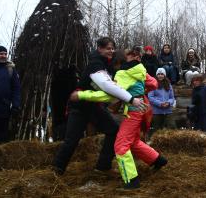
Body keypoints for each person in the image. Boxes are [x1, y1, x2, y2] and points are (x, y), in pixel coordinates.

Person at [75, 46, 167, 189]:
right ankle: (157, 160)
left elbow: (110, 94)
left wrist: (83, 95)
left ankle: (131, 181)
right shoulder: (140, 68)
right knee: (134, 141)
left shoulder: (123, 72)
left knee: (121, 146)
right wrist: (141, 90)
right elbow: (154, 83)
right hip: (143, 109)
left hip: (134, 110)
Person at [53, 37, 146, 176]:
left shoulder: (107, 64)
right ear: (100, 48)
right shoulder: (95, 64)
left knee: (113, 130)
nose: (111, 51)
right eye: (108, 48)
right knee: (72, 140)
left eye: (113, 48)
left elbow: (114, 86)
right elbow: (107, 85)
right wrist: (131, 99)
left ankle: (103, 167)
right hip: (80, 106)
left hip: (94, 107)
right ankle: (57, 170)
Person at [148, 68, 176, 136]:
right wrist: (160, 104)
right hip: (157, 111)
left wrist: (168, 103)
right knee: (157, 129)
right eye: (159, 74)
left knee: (172, 126)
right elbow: (150, 97)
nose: (160, 76)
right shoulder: (153, 84)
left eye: (162, 74)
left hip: (168, 110)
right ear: (156, 75)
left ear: (164, 75)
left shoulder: (168, 85)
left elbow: (172, 97)